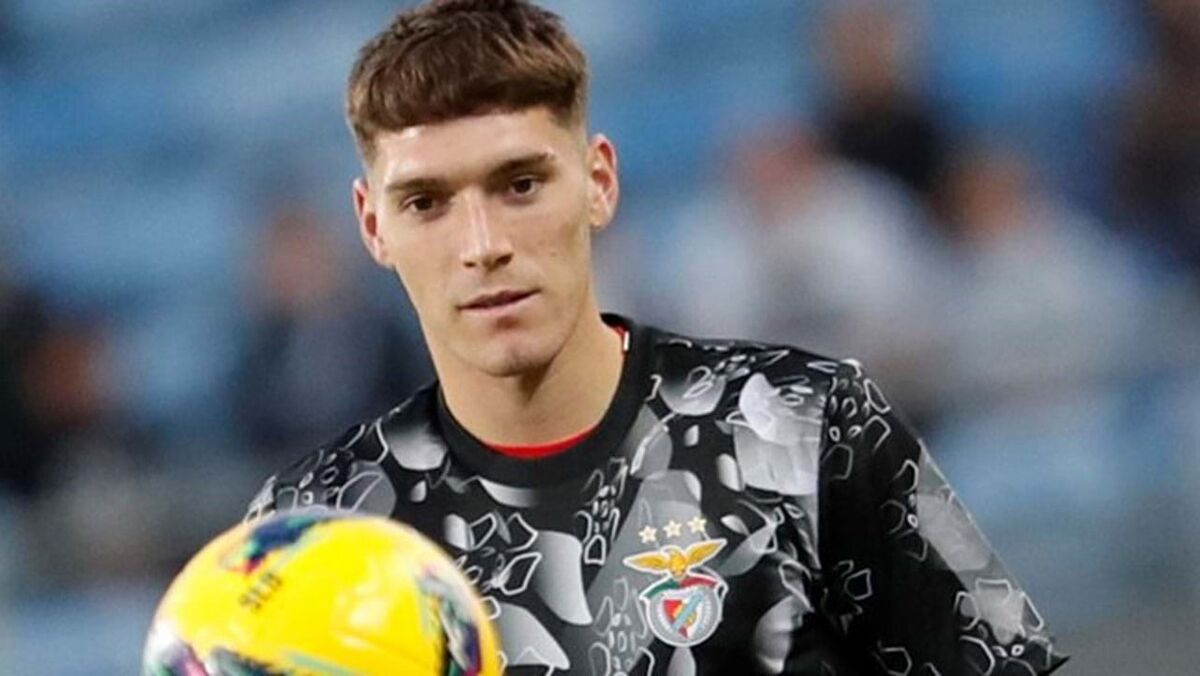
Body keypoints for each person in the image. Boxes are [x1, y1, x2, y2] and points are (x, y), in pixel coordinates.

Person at [244, 1, 1067, 673]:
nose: (482, 244)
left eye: (521, 184)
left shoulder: (809, 426)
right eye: (426, 203)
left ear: (599, 182)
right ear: (373, 226)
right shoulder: (317, 527)